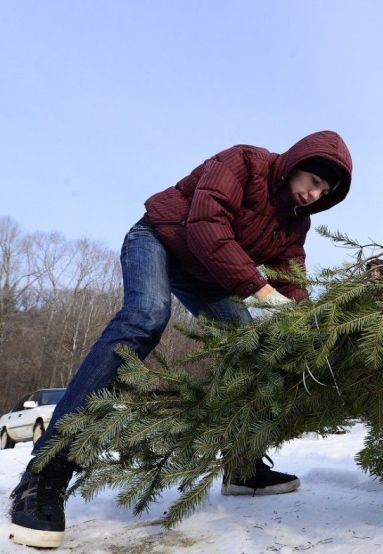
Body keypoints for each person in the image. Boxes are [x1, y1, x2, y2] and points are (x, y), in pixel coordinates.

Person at [8, 130, 353, 549]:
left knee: (249, 347)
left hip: (208, 277)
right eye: (313, 181)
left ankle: (243, 467)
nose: (314, 194)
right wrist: (260, 291)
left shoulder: (296, 222)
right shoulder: (244, 163)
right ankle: (45, 472)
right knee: (146, 317)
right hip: (159, 239)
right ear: (295, 162)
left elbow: (291, 271)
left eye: (324, 191)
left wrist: (302, 319)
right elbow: (206, 223)